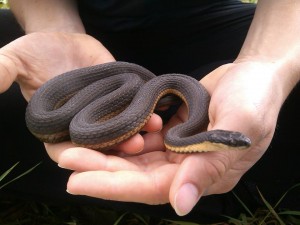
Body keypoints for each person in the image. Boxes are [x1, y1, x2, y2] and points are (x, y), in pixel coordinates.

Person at [0, 0, 299, 223]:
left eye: (231, 139)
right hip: (79, 35)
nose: (236, 139)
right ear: (210, 140)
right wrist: (53, 29)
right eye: (231, 139)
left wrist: (267, 64)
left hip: (202, 27)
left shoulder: (182, 122)